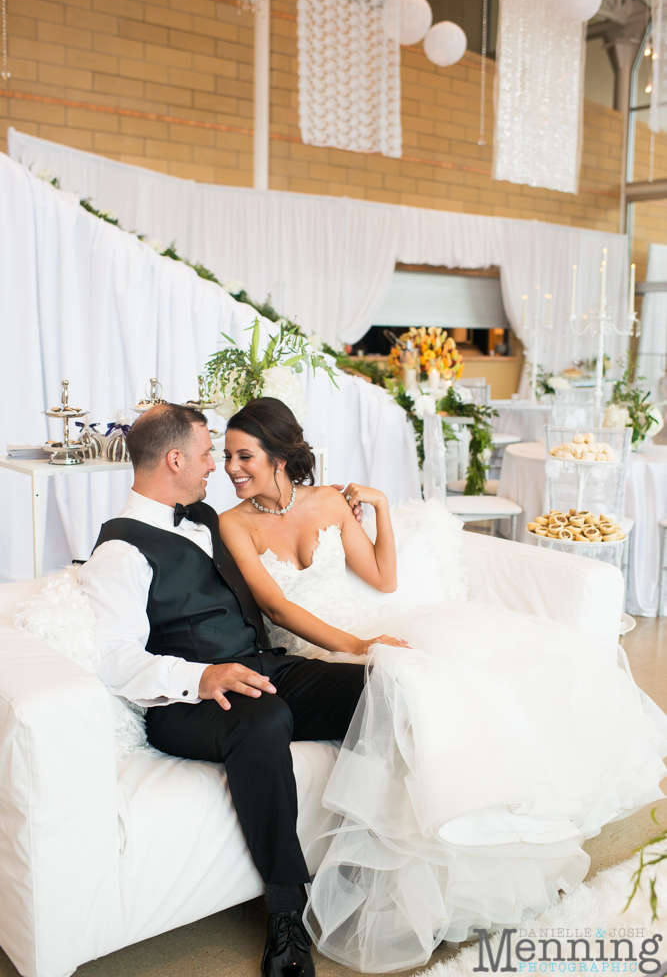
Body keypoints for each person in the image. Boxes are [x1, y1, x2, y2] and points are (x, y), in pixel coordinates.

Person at [219, 397, 667, 975]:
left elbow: (384, 577)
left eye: (243, 455)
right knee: (410, 681)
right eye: (227, 456)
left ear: (279, 455)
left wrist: (378, 507)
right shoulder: (233, 522)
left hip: (368, 629)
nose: (231, 467)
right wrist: (355, 648)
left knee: (469, 671)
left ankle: (501, 846)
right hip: (318, 652)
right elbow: (276, 606)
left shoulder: (329, 502)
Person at [78, 401, 404, 977]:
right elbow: (115, 658)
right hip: (188, 702)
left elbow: (279, 527)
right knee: (264, 718)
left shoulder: (210, 518)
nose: (216, 467)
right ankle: (286, 912)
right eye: (208, 454)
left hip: (262, 667)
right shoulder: (118, 551)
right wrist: (201, 676)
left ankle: (376, 864)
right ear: (175, 458)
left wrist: (326, 500)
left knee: (385, 687)